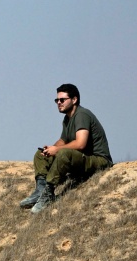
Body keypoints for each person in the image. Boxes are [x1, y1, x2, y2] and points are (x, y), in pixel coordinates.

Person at [20, 84, 113, 213]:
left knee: (63, 153)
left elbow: (81, 143)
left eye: (62, 100)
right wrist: (51, 149)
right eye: (56, 100)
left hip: (99, 160)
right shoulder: (67, 118)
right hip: (81, 158)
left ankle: (48, 193)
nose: (58, 103)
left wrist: (57, 150)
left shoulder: (82, 115)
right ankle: (40, 191)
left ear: (74, 100)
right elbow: (63, 140)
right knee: (40, 154)